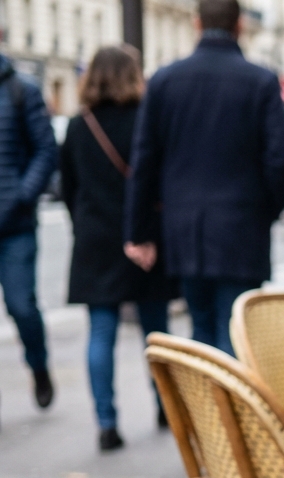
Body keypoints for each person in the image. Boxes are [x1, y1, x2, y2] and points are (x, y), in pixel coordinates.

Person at [124, 0, 284, 357]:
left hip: (185, 228)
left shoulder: (165, 80)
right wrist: (267, 209)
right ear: (239, 25)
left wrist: (139, 230)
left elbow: (145, 161)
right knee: (237, 332)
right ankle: (229, 394)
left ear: (197, 24)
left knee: (201, 328)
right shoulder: (261, 81)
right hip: (242, 226)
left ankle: (207, 394)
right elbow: (280, 158)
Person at [62, 46, 173, 451]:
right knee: (156, 331)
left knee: (101, 331)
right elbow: (159, 182)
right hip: (143, 236)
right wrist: (147, 234)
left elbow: (68, 187)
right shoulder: (147, 119)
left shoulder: (79, 125)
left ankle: (107, 424)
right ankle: (166, 407)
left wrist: (85, 226)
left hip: (96, 239)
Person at [0, 51, 58, 414]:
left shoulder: (22, 89)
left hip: (15, 225)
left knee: (21, 306)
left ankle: (38, 365)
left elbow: (46, 149)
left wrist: (22, 195)